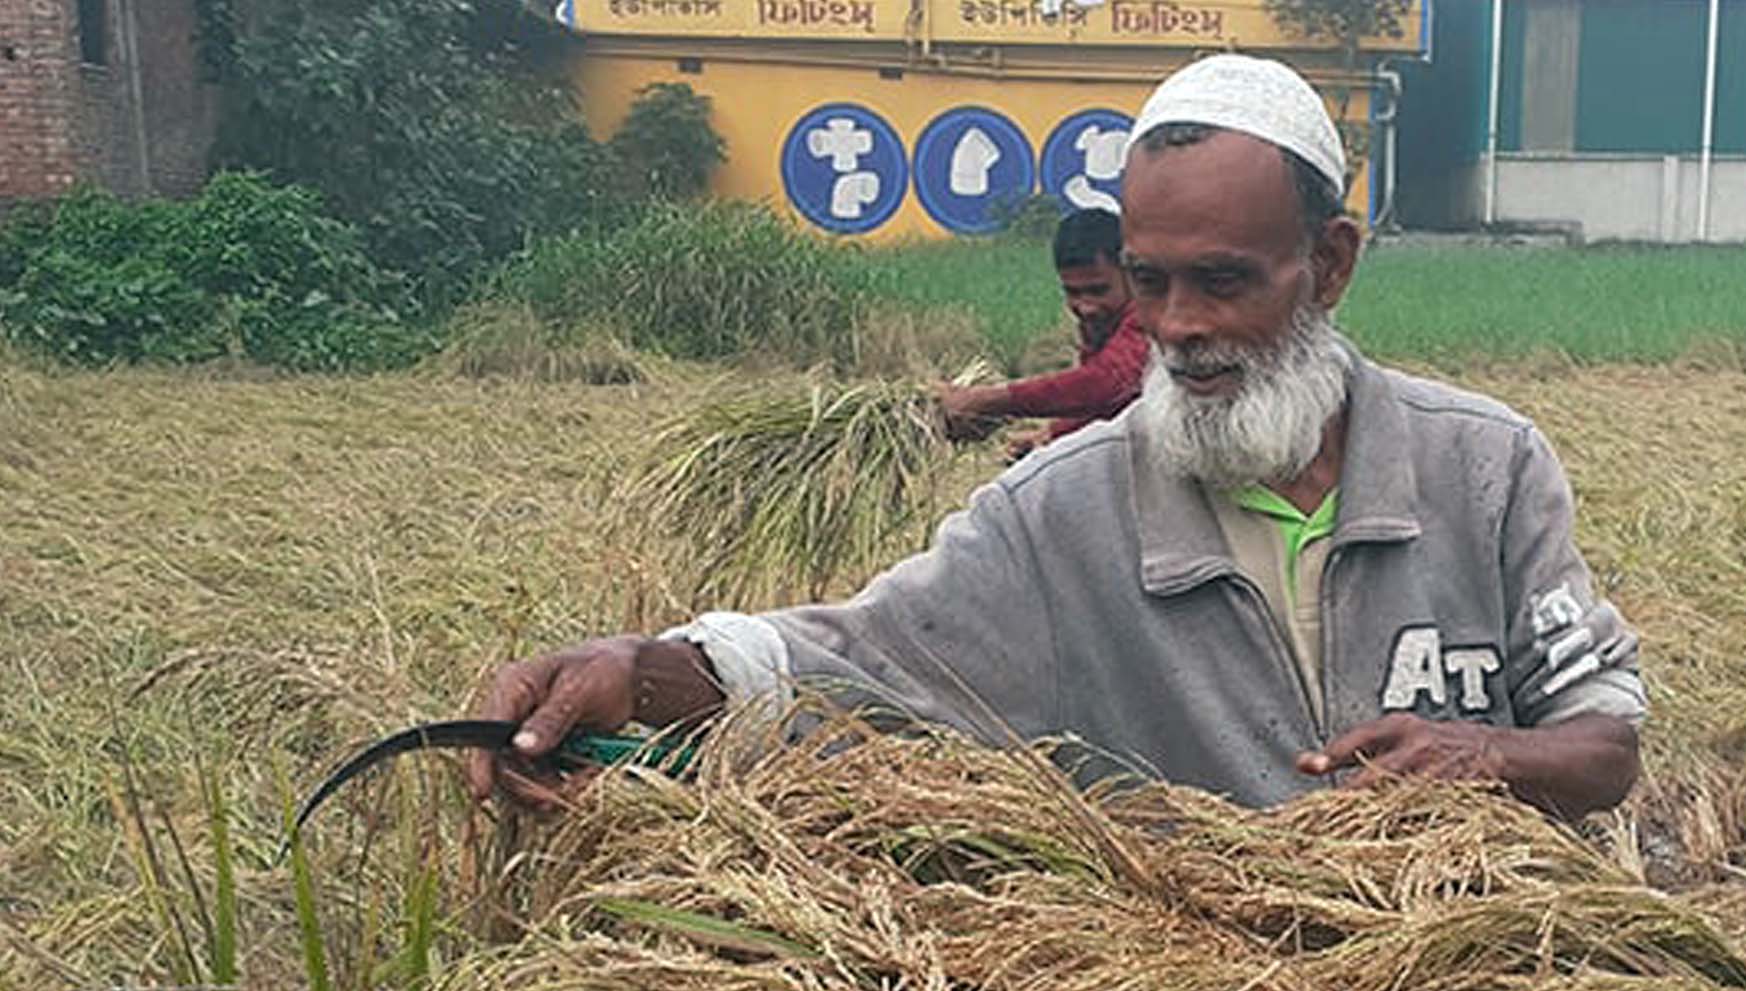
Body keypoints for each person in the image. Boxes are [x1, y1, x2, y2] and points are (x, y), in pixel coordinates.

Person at [468, 54, 1645, 820]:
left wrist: (1480, 756)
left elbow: (1603, 743)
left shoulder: (1482, 467)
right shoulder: (1065, 512)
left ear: (1328, 265)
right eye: (1151, 282)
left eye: (1224, 282)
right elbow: (851, 661)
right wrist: (641, 669)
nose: (1178, 329)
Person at [937, 207, 1148, 461]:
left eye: (1098, 290)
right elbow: (1111, 406)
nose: (1086, 307)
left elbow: (1106, 383)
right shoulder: (1101, 322)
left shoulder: (1153, 312)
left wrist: (987, 400)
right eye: (1073, 293)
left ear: (1131, 273)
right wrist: (1053, 435)